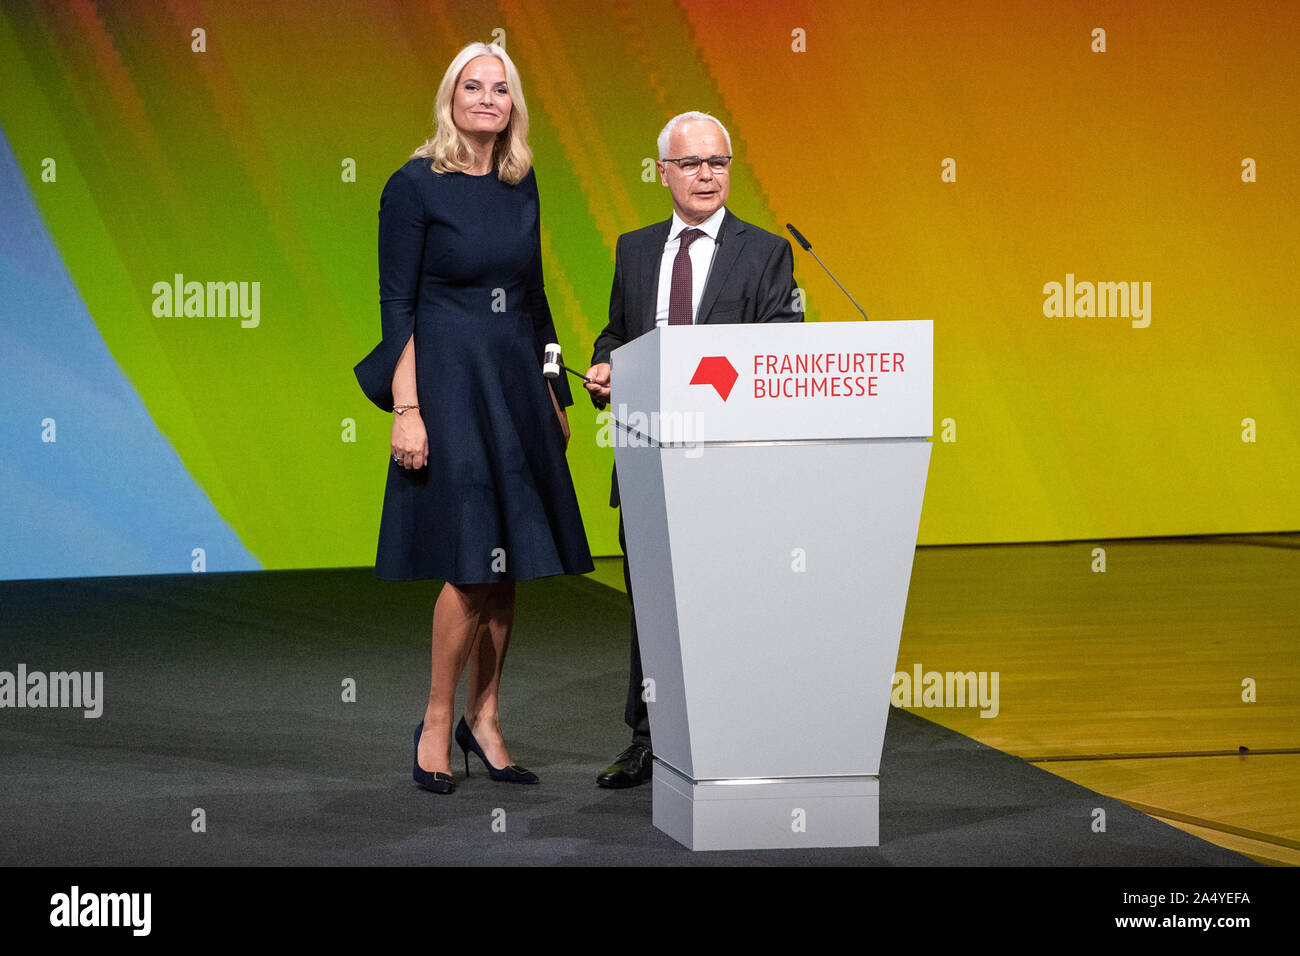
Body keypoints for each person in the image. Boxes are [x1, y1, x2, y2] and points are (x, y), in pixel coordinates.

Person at [354, 42, 593, 795]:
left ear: (513, 105)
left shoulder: (522, 182)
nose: (486, 98)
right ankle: (434, 721)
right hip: (447, 386)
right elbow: (397, 306)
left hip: (517, 385)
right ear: (451, 98)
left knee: (510, 560)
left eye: (499, 89)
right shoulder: (414, 185)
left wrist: (554, 389)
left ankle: (484, 720)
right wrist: (408, 408)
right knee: (468, 561)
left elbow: (535, 297)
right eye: (472, 86)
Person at [584, 111, 802, 788]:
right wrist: (605, 368)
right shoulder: (635, 248)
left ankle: (735, 737)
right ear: (663, 174)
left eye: (718, 162)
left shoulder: (764, 252)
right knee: (652, 607)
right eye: (692, 164)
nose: (707, 175)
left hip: (731, 466)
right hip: (650, 462)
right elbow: (615, 334)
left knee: (732, 603)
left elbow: (778, 351)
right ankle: (649, 741)